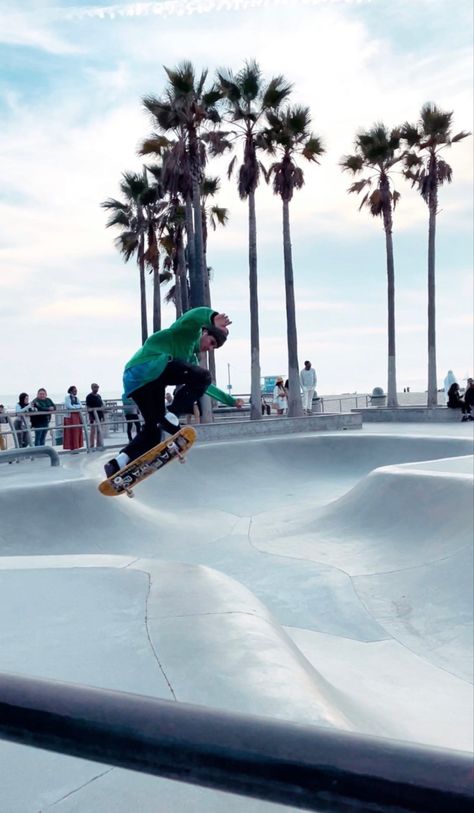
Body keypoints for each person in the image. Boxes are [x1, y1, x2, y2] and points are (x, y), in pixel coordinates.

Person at [104, 307, 240, 478]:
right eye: (212, 342)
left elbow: (205, 385)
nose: (210, 348)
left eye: (215, 348)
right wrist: (213, 318)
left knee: (153, 431)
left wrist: (230, 400)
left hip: (139, 383)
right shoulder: (188, 333)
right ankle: (172, 416)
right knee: (202, 376)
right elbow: (194, 315)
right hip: (149, 366)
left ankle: (118, 462)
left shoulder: (191, 359)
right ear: (204, 332)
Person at [63, 386, 84, 451]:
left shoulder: (76, 398)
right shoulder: (67, 398)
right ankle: (72, 448)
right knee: (70, 432)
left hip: (76, 417)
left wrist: (74, 406)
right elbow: (69, 406)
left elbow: (81, 405)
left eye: (76, 390)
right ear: (71, 391)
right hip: (69, 418)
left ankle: (77, 446)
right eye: (74, 390)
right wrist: (76, 407)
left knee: (77, 432)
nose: (76, 392)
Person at [85, 383, 105, 449]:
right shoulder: (89, 396)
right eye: (95, 387)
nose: (96, 389)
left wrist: (103, 415)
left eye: (97, 387)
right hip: (93, 416)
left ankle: (99, 444)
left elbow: (101, 405)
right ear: (92, 388)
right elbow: (88, 407)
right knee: (92, 431)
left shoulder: (99, 396)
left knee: (99, 430)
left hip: (100, 415)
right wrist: (90, 415)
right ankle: (91, 445)